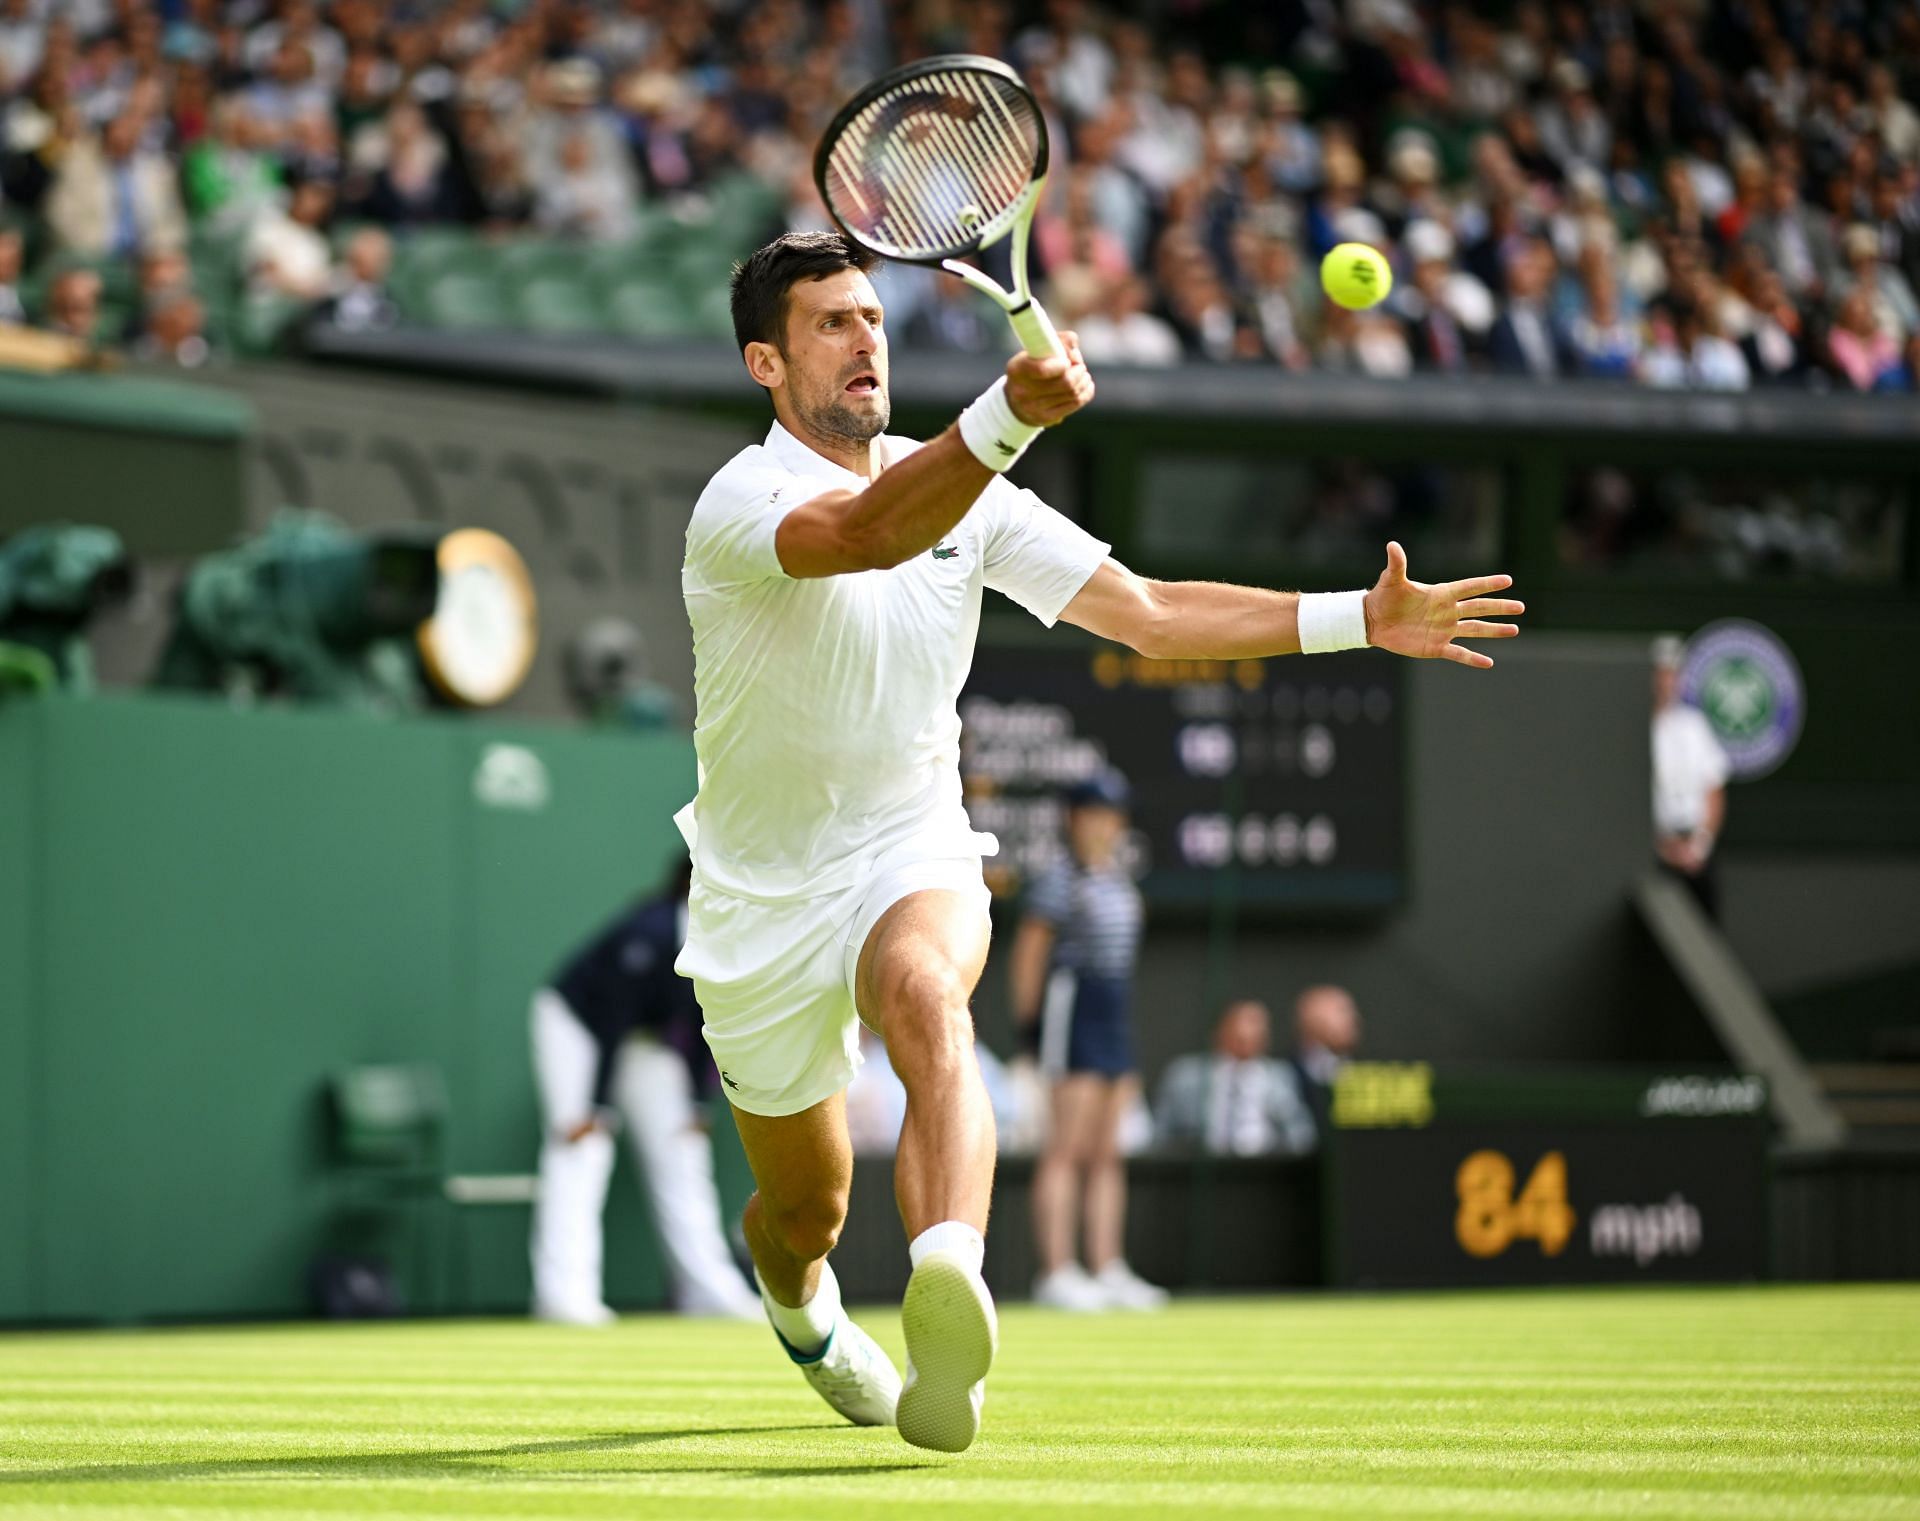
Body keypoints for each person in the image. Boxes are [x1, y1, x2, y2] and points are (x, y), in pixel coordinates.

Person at [674, 229, 1523, 1455]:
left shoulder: (969, 490)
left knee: (927, 995)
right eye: (830, 324)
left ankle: (949, 1284)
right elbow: (864, 536)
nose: (866, 340)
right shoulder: (739, 502)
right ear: (766, 361)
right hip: (758, 897)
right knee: (803, 1210)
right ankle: (803, 1315)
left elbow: (1156, 615)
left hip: (906, 842)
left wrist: (1358, 619)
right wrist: (1004, 422)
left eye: (872, 317)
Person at [528, 856, 761, 1326]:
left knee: (682, 1149)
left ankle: (709, 1292)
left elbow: (705, 1023)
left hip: (644, 1045)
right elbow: (612, 1021)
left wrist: (696, 1102)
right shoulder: (650, 931)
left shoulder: (722, 942)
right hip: (578, 1029)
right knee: (582, 1147)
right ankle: (563, 1295)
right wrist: (594, 1107)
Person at [1009, 769, 1163, 1312]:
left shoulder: (1120, 883)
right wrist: (1029, 1027)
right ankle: (1058, 1270)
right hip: (1072, 1012)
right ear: (1074, 820)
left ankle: (1107, 1265)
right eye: (1096, 815)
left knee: (1107, 1152)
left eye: (1114, 817)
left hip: (1114, 1012)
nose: (1106, 827)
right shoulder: (1057, 881)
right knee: (1066, 1147)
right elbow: (1029, 955)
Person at [1155, 998, 1318, 1156]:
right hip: (1201, 1170)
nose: (1252, 1032)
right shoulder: (1185, 1074)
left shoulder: (1279, 1075)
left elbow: (1301, 1132)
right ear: (1221, 1029)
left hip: (1266, 1170)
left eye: (1259, 1025)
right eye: (1246, 1022)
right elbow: (1162, 1132)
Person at [1650, 634, 1729, 918]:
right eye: (1660, 674)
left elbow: (1714, 791)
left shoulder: (1695, 727)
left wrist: (1699, 847)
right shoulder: (1637, 729)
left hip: (1697, 856)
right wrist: (1663, 849)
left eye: (1673, 674)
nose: (1666, 682)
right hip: (1655, 858)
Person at [1286, 984, 1363, 1139]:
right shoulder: (1283, 1074)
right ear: (1311, 1018)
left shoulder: (1365, 1072)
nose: (1354, 1017)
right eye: (1342, 1011)